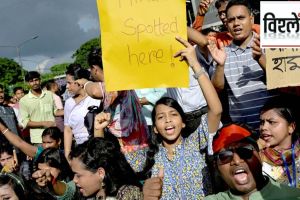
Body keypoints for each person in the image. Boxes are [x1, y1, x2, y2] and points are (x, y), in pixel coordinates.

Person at [114, 36, 222, 199]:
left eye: (173, 114)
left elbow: (215, 109)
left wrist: (195, 64)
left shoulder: (196, 142)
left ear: (183, 123)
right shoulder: (148, 155)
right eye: (161, 117)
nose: (168, 120)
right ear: (155, 128)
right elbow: (114, 163)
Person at [209, 0, 276, 129]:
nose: (236, 24)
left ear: (251, 19)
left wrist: (261, 58)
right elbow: (217, 88)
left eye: (241, 18)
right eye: (231, 20)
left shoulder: (268, 44)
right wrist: (220, 66)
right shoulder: (222, 53)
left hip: (272, 129)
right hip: (242, 132)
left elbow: (282, 79)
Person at [75, 48, 149, 153]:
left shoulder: (116, 82)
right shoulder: (121, 80)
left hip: (131, 149)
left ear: (95, 69)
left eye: (90, 69)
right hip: (135, 145)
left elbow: (95, 91)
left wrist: (85, 82)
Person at [204, 123, 300, 200]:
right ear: (216, 166)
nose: (237, 161)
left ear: (260, 156)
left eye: (245, 151)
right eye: (225, 156)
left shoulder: (293, 196)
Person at [33, 137, 143, 200]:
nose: (74, 180)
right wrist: (51, 182)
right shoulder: (90, 189)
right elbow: (68, 190)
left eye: (78, 175)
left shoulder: (129, 194)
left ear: (100, 173)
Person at [259, 95, 300, 188]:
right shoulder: (257, 160)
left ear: (291, 127)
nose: (263, 128)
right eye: (262, 122)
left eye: (271, 122)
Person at [64, 64, 100, 159]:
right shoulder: (68, 103)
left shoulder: (96, 98)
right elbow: (67, 129)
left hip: (97, 147)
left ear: (80, 82)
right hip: (79, 150)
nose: (67, 86)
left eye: (69, 83)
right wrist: (67, 154)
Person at [19, 71, 63, 145]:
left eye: (36, 80)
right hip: (38, 139)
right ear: (27, 83)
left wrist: (68, 110)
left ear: (40, 80)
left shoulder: (49, 94)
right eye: (31, 81)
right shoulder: (24, 100)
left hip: (53, 135)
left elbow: (55, 111)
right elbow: (26, 122)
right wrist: (43, 123)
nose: (34, 83)